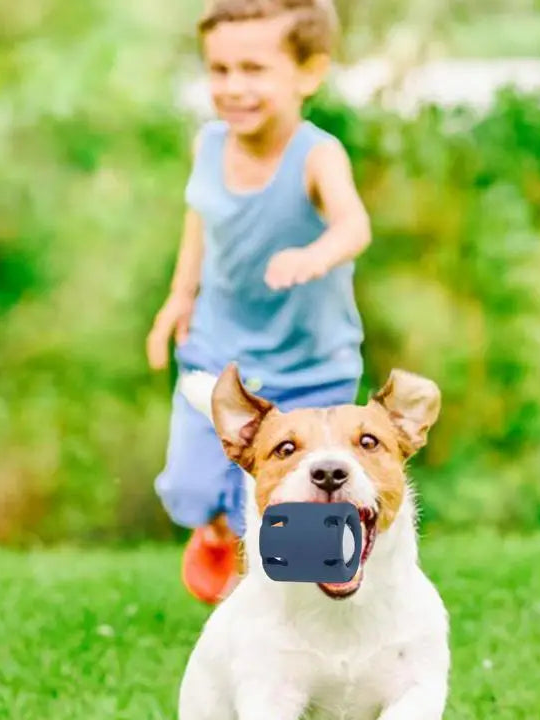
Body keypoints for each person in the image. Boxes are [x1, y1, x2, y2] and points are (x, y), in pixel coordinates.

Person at [146, 0, 371, 605]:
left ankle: (279, 617)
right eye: (219, 70)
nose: (233, 87)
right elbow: (201, 220)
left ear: (308, 72)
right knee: (189, 489)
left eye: (253, 68)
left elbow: (354, 227)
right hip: (219, 354)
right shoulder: (209, 145)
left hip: (311, 366)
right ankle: (216, 532)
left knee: (302, 522)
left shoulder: (318, 155)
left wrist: (316, 255)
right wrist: (178, 295)